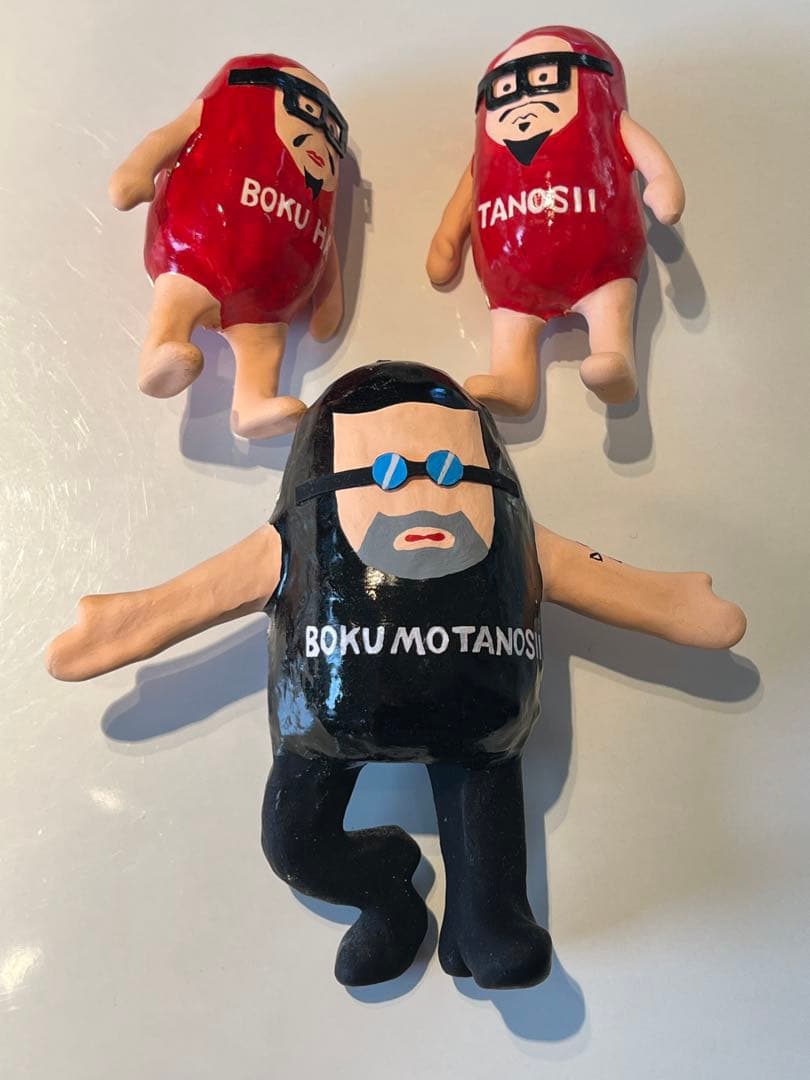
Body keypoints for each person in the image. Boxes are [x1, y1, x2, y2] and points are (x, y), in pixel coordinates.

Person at [46, 363, 745, 988]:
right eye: (385, 471)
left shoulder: (517, 535)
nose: (423, 490)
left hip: (477, 720)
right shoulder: (293, 538)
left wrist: (675, 604)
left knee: (484, 806)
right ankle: (385, 890)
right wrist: (124, 624)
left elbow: (602, 577)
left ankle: (489, 919)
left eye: (447, 468)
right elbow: (197, 593)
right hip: (326, 727)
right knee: (295, 848)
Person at [427, 27, 685, 414]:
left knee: (608, 310)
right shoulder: (486, 156)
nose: (522, 99)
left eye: (547, 78)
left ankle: (616, 361)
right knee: (511, 323)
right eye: (505, 89)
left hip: (602, 260)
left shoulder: (608, 120)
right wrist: (447, 240)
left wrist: (663, 186)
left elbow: (649, 160)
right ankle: (514, 382)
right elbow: (466, 194)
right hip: (510, 280)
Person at [109, 53, 348, 438]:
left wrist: (327, 298)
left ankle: (253, 405)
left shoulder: (317, 179)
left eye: (333, 129)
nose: (320, 130)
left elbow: (325, 230)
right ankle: (161, 352)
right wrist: (135, 174)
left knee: (263, 347)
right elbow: (164, 139)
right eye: (304, 108)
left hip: (272, 297)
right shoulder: (220, 110)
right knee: (178, 301)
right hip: (196, 251)